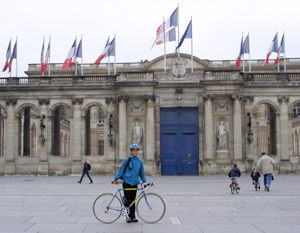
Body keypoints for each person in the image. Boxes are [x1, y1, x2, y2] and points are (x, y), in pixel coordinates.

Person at [111, 144, 146, 223]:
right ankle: (127, 216)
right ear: (131, 151)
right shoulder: (127, 160)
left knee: (133, 200)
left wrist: (145, 181)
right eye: (133, 150)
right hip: (127, 182)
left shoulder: (140, 161)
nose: (135, 152)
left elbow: (142, 173)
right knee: (127, 200)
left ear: (138, 151)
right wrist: (115, 178)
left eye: (136, 150)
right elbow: (121, 169)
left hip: (135, 183)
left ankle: (133, 216)